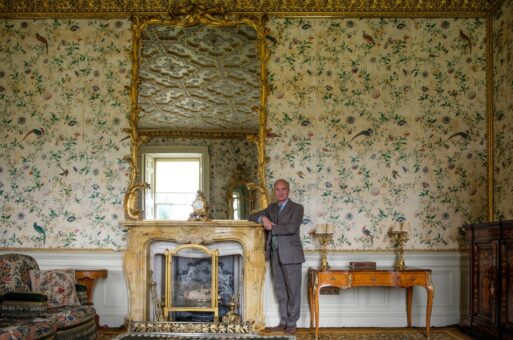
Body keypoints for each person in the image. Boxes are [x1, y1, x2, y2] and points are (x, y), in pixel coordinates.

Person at [249, 179, 304, 335]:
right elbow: (251, 216)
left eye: (284, 189)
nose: (280, 192)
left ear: (288, 191)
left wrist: (271, 226)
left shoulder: (297, 208)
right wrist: (263, 219)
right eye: (277, 189)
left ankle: (292, 323)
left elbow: (292, 228)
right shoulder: (271, 208)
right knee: (280, 290)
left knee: (293, 290)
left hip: (292, 255)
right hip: (274, 254)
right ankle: (284, 322)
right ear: (274, 191)